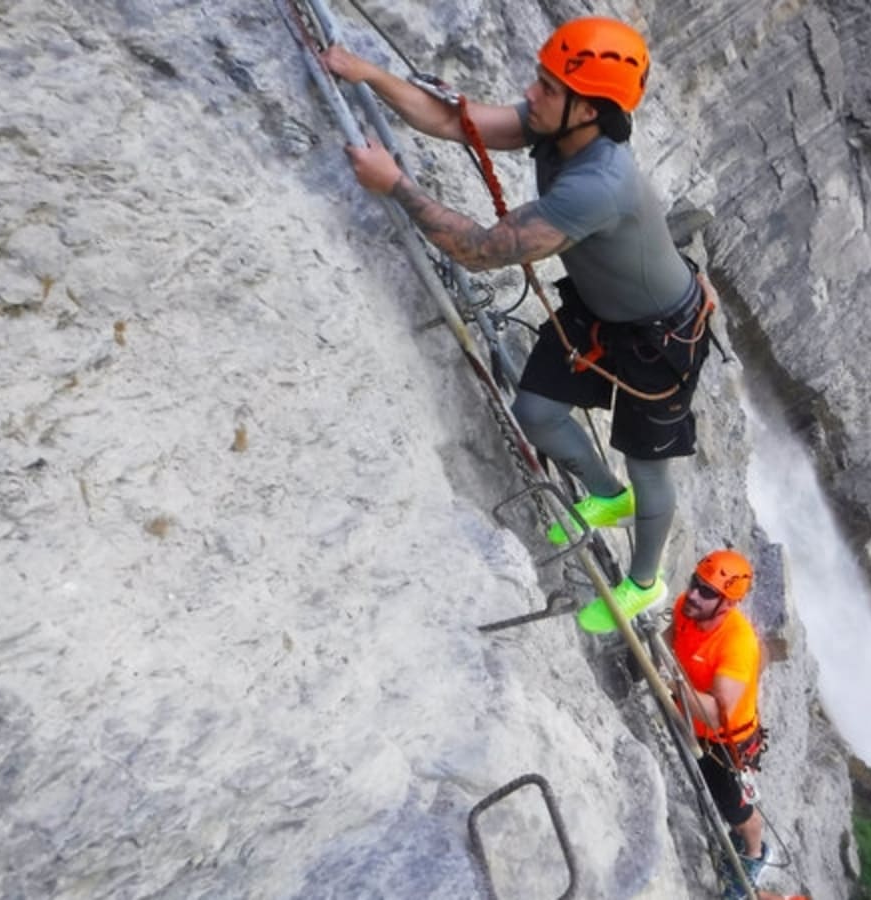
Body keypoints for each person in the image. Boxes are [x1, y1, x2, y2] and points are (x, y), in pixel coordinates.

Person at [321, 18, 713, 632]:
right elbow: (457, 122)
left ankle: (645, 583)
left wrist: (395, 185)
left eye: (548, 88)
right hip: (602, 312)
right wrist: (367, 72)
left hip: (662, 338)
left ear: (589, 109)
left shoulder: (599, 184)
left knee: (648, 467)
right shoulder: (559, 125)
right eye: (540, 80)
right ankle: (605, 496)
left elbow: (480, 250)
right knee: (536, 412)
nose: (532, 94)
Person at [667, 549, 773, 898]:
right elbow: (671, 636)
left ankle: (755, 854)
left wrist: (671, 685)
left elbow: (715, 713)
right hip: (692, 725)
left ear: (727, 604)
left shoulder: (737, 643)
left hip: (727, 745)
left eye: (707, 592)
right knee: (715, 795)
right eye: (695, 583)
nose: (694, 595)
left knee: (736, 811)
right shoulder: (687, 608)